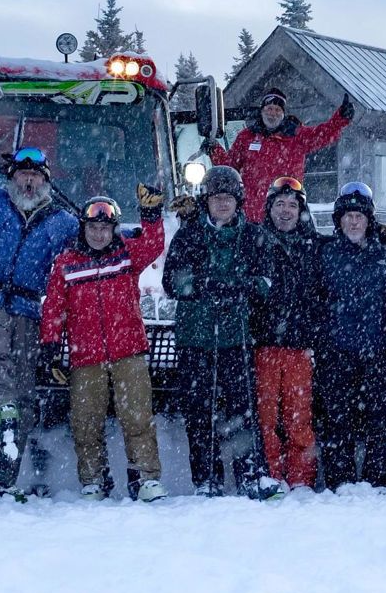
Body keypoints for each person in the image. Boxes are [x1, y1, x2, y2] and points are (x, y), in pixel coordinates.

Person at [0, 90, 78, 500]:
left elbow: (103, 237)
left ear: (46, 182)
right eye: (21, 174)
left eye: (36, 176)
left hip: (27, 308)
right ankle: (1, 418)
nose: (27, 180)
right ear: (11, 178)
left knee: (24, 395)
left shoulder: (61, 223)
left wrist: (147, 225)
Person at [163, 164, 283, 500]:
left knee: (242, 410)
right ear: (207, 200)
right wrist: (202, 286)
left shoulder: (254, 235)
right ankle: (206, 478)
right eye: (216, 197)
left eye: (228, 197)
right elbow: (172, 283)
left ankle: (250, 475)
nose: (222, 204)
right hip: (195, 338)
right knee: (199, 412)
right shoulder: (188, 236)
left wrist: (237, 287)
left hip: (236, 337)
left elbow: (266, 281)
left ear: (238, 199)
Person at [41, 189, 169, 502]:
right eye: (93, 228)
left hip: (128, 351)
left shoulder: (126, 254)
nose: (99, 234)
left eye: (105, 228)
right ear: (83, 229)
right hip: (86, 357)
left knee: (137, 416)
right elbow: (54, 307)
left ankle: (145, 477)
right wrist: (51, 346)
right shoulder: (66, 263)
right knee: (86, 422)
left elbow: (153, 245)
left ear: (113, 229)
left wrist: (151, 216)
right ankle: (93, 480)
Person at [315, 182, 386, 491]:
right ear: (339, 219)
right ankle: (341, 480)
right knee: (338, 418)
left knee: (382, 418)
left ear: (369, 220)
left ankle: (379, 480)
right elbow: (314, 299)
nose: (353, 222)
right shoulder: (325, 254)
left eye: (359, 216)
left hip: (377, 348)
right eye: (348, 216)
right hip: (336, 350)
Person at [253, 176, 328, 490]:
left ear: (302, 210)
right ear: (270, 207)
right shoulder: (255, 241)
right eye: (280, 204)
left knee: (299, 419)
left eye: (292, 205)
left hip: (299, 347)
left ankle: (301, 480)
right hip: (265, 345)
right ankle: (270, 476)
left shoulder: (316, 247)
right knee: (266, 420)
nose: (285, 211)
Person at [205, 87, 354, 222]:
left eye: (277, 110)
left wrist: (341, 119)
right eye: (269, 108)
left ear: (283, 114)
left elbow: (323, 134)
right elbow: (229, 166)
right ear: (262, 111)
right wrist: (214, 150)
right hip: (252, 215)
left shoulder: (296, 135)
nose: (273, 113)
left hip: (286, 215)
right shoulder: (247, 137)